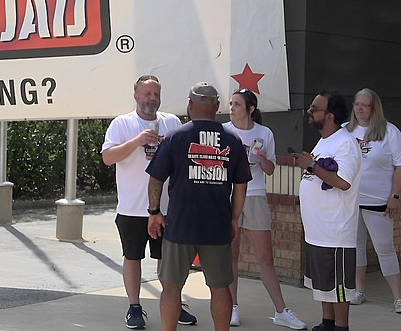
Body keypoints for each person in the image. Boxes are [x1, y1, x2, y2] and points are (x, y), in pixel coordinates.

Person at [146, 82, 251, 331]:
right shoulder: (232, 139)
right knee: (220, 286)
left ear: (190, 105)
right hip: (217, 225)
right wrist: (234, 218)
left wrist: (154, 212)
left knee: (171, 285)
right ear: (216, 107)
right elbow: (241, 185)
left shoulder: (175, 137)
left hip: (180, 225)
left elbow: (156, 178)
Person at [102, 75, 198, 329]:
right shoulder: (122, 123)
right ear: (136, 96)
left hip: (167, 208)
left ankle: (173, 305)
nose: (152, 99)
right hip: (133, 208)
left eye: (156, 94)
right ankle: (135, 308)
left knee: (168, 260)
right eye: (147, 94)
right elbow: (108, 157)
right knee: (133, 257)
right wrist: (137, 141)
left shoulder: (172, 122)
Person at [222, 89, 307, 329]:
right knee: (231, 255)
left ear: (250, 108)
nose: (232, 108)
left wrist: (260, 158)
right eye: (231, 104)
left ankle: (281, 310)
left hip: (256, 195)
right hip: (229, 196)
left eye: (237, 104)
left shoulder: (264, 133)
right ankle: (232, 307)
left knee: (265, 257)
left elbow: (270, 169)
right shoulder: (225, 131)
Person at [293, 91, 361, 331]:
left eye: (315, 108)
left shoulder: (346, 143)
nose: (310, 112)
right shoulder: (325, 141)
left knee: (339, 286)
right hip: (318, 230)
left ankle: (341, 327)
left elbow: (343, 182)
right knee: (324, 283)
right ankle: (328, 323)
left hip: (336, 231)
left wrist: (311, 165)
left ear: (330, 115)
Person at [344, 88, 401, 314]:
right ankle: (359, 291)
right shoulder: (345, 131)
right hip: (351, 201)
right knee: (356, 248)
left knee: (385, 248)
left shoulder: (390, 132)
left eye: (365, 104)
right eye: (357, 104)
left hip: (379, 201)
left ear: (375, 108)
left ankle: (398, 298)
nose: (360, 108)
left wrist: (395, 196)